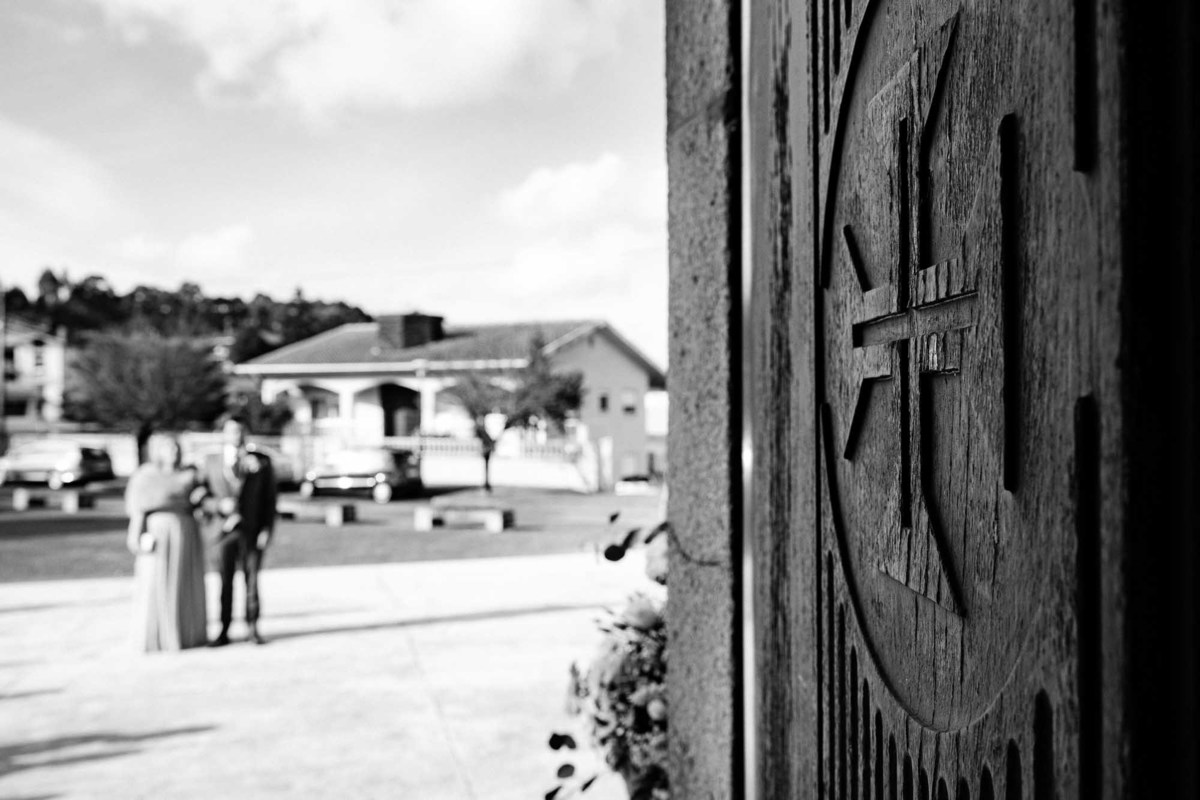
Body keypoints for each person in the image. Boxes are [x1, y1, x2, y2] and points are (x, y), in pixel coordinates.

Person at [125, 433, 208, 652]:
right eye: (169, 448)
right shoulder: (146, 475)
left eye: (176, 448)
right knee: (156, 581)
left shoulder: (190, 475)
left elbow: (203, 503)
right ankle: (156, 636)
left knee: (184, 583)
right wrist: (135, 535)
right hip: (158, 533)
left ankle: (187, 633)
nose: (174, 452)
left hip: (186, 533)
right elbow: (137, 509)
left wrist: (201, 499)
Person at [199, 416, 276, 646]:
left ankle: (253, 628)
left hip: (252, 530)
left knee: (252, 582)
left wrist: (267, 529)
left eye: (241, 430)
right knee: (225, 582)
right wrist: (218, 505)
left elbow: (270, 499)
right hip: (222, 532)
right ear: (223, 433)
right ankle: (224, 630)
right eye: (232, 431)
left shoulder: (262, 460)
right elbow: (201, 496)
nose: (237, 435)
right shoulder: (210, 461)